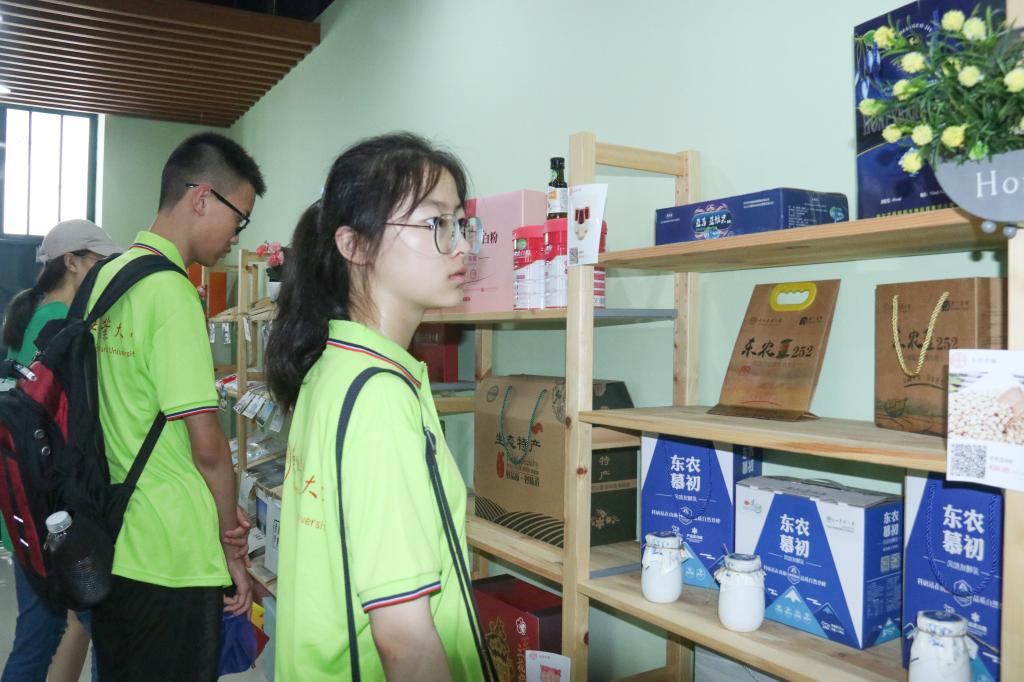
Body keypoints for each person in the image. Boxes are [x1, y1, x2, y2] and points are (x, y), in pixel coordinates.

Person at [265, 132, 492, 681]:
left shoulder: (333, 366)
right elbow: (405, 642)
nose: (461, 245)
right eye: (435, 223)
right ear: (355, 245)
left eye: (462, 223)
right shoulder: (379, 397)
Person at [85, 132, 263, 681]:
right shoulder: (172, 293)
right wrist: (232, 547)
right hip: (171, 550)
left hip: (113, 537)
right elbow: (208, 447)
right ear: (202, 197)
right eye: (240, 218)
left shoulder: (106, 277)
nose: (237, 236)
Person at [1, 218, 120, 682]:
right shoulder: (60, 324)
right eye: (100, 261)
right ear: (72, 262)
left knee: (43, 629)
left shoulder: (31, 315)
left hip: (25, 501)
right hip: (49, 509)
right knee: (87, 626)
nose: (104, 271)